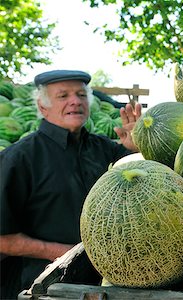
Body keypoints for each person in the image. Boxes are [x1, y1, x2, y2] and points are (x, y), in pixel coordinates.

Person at [0, 70, 142, 298]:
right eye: (63, 96)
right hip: (39, 287)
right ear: (42, 106)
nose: (75, 101)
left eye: (80, 95)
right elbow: (3, 239)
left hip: (101, 285)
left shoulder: (106, 150)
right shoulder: (18, 158)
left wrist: (136, 147)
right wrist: (61, 253)